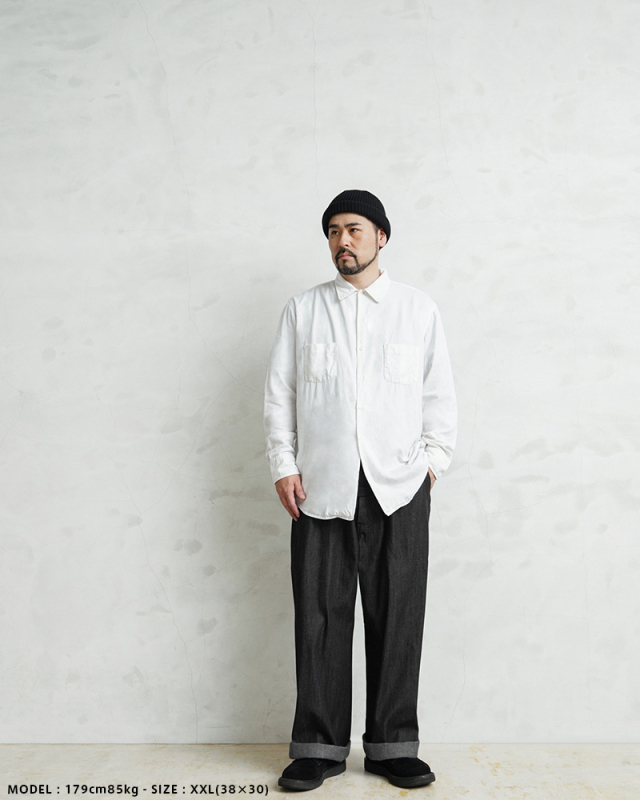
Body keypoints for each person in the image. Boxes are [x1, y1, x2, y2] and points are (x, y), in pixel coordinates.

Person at [263, 190, 457, 791]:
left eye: (353, 229)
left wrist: (432, 463)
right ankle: (318, 748)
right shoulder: (303, 310)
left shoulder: (416, 309)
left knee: (398, 614)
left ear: (381, 236)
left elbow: (438, 394)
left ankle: (392, 746)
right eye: (332, 231)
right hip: (320, 485)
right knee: (320, 616)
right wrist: (284, 464)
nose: (341, 241)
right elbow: (280, 393)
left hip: (399, 486)